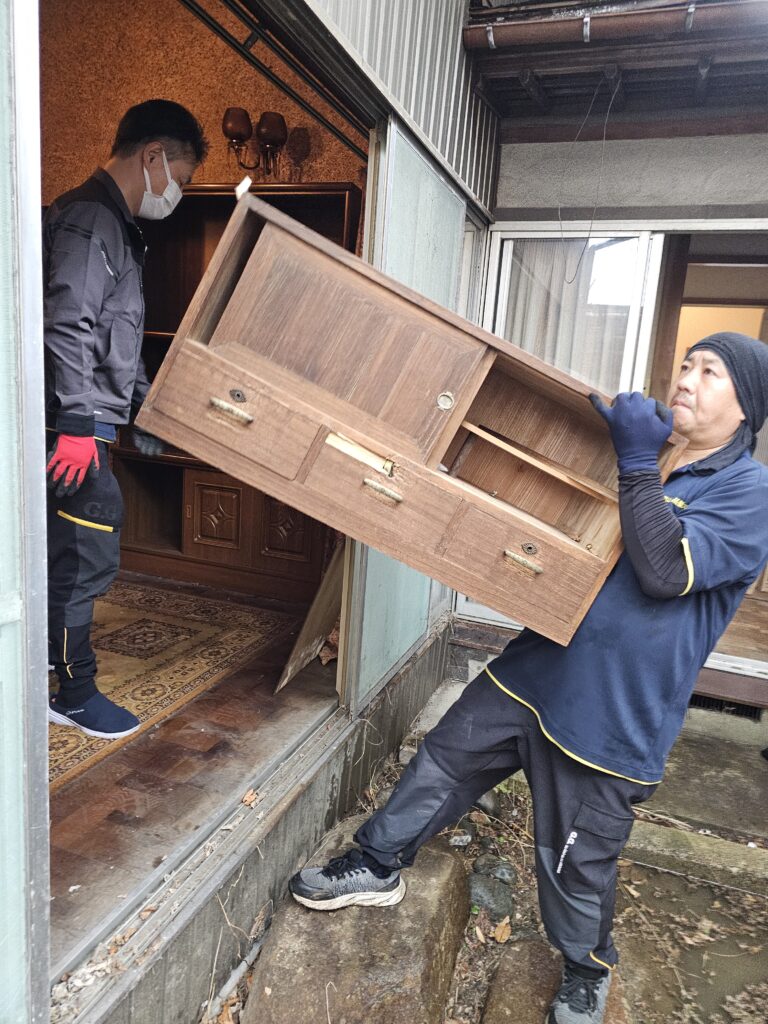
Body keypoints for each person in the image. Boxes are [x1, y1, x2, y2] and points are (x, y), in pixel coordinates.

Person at [288, 332, 768, 1024]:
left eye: (710, 372)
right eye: (686, 364)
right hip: (537, 666)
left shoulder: (748, 492)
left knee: (576, 862)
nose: (687, 378)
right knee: (443, 763)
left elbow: (665, 570)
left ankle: (585, 969)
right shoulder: (653, 456)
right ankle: (376, 863)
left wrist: (634, 459)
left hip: (612, 717)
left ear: (746, 405)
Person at [45, 100, 208, 740]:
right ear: (153, 156)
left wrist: (143, 411)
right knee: (84, 555)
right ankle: (74, 694)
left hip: (92, 422)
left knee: (71, 550)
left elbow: (120, 337)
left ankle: (44, 668)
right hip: (72, 428)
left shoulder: (119, 229)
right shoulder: (91, 219)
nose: (177, 193)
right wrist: (76, 424)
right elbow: (68, 323)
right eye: (182, 179)